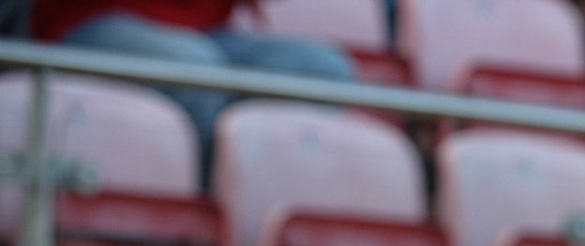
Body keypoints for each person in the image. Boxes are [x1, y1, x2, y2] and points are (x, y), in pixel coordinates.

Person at [34, 2, 357, 147]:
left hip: (205, 34)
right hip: (93, 20)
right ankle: (199, 242)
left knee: (322, 70)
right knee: (197, 68)